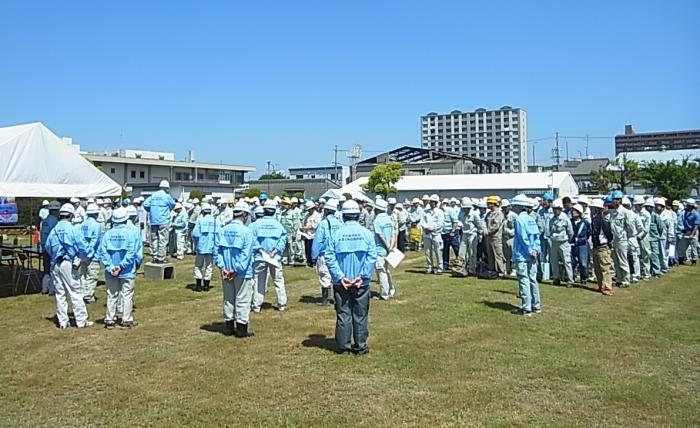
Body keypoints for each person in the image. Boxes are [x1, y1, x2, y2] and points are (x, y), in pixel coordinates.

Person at [324, 200, 377, 355]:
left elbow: (329, 257)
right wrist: (362, 276)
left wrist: (340, 277)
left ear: (343, 215)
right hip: (362, 282)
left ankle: (344, 346)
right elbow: (372, 257)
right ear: (358, 215)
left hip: (342, 283)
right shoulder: (367, 233)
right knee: (360, 314)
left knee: (343, 313)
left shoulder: (336, 234)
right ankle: (360, 346)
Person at [44, 203, 93, 329]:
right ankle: (81, 321)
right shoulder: (72, 229)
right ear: (71, 215)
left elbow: (48, 246)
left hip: (55, 263)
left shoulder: (54, 230)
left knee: (60, 293)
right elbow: (82, 246)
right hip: (68, 263)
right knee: (75, 292)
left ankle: (62, 322)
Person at [216, 202, 256, 338]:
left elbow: (218, 251)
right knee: (243, 299)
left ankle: (228, 326)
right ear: (244, 215)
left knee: (228, 298)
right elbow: (246, 255)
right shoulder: (247, 232)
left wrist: (223, 267)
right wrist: (236, 269)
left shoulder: (223, 230)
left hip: (226, 270)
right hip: (242, 273)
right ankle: (241, 328)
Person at [100, 208, 142, 329]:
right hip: (127, 270)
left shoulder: (108, 234)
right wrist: (121, 266)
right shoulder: (130, 234)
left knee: (112, 294)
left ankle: (109, 319)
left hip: (111, 271)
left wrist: (111, 267)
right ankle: (126, 319)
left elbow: (104, 253)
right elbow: (131, 253)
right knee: (127, 295)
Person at [250, 200, 288, 313]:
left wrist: (261, 250)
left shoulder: (255, 225)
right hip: (274, 258)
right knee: (278, 281)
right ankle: (282, 304)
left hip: (260, 257)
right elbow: (283, 239)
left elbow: (252, 239)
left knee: (259, 281)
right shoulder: (278, 225)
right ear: (274, 211)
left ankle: (256, 305)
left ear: (264, 210)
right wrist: (275, 251)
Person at [510, 194, 541, 316]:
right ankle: (536, 305)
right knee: (533, 279)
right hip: (532, 253)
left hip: (522, 255)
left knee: (524, 279)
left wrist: (529, 250)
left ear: (519, 206)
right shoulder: (531, 219)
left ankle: (526, 307)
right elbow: (536, 237)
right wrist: (535, 250)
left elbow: (522, 238)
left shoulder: (519, 220)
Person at [311, 199, 343, 306]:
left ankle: (325, 300)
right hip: (337, 254)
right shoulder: (339, 223)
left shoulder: (323, 224)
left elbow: (318, 241)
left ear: (326, 210)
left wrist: (314, 256)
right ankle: (337, 299)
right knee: (335, 276)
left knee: (324, 276)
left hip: (325, 254)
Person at [143, 180, 176, 263]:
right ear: (167, 188)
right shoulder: (166, 196)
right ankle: (161, 258)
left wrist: (151, 211)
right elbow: (173, 205)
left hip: (153, 220)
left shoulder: (153, 195)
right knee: (163, 239)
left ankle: (154, 256)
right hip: (163, 220)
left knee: (154, 239)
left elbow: (145, 204)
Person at [78, 203, 103, 304]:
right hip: (93, 254)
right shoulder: (97, 225)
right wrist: (90, 252)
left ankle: (83, 293)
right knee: (92, 276)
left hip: (82, 253)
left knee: (83, 275)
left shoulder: (82, 224)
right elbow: (95, 240)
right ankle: (88, 295)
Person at [610, 190, 635, 288]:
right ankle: (619, 278)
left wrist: (627, 237)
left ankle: (626, 280)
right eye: (613, 199)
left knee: (623, 260)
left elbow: (630, 227)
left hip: (622, 239)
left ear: (620, 200)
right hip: (614, 239)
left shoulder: (625, 212)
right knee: (616, 261)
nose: (614, 201)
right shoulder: (613, 212)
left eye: (616, 199)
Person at [373, 199, 396, 300]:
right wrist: (391, 247)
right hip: (389, 248)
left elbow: (380, 235)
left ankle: (384, 293)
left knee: (381, 271)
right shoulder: (389, 219)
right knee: (386, 270)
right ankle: (391, 290)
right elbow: (394, 234)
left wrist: (387, 247)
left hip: (380, 249)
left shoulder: (377, 221)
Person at [590, 198, 614, 295]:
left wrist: (608, 243)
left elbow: (609, 233)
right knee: (597, 268)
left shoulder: (603, 221)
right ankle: (601, 286)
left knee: (605, 268)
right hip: (596, 246)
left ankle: (607, 287)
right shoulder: (594, 220)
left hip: (603, 247)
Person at [549, 199, 574, 287]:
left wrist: (567, 240)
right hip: (554, 242)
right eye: (553, 209)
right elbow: (550, 231)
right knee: (554, 261)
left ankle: (570, 280)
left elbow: (570, 232)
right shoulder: (552, 220)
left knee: (566, 262)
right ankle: (556, 278)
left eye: (556, 209)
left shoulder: (565, 219)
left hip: (564, 243)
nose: (554, 210)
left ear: (560, 209)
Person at [192, 203, 216, 292]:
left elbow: (195, 234)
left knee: (198, 266)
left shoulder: (200, 221)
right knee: (209, 266)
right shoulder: (215, 221)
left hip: (201, 247)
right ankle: (206, 286)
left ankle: (198, 286)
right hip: (211, 247)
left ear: (202, 211)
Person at [419, 194, 444, 274]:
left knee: (438, 251)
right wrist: (426, 228)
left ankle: (440, 267)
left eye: (433, 202)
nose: (431, 203)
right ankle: (430, 267)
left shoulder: (440, 212)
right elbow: (422, 221)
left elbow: (440, 223)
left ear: (436, 203)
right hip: (427, 234)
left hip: (436, 234)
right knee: (427, 251)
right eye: (431, 202)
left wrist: (432, 229)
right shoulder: (425, 212)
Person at [40, 201, 60, 295]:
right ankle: (52, 290)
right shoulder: (55, 222)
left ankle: (44, 288)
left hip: (44, 248)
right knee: (53, 270)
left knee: (46, 270)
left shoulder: (45, 221)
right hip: (52, 249)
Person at [457, 197, 480, 276]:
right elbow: (460, 221)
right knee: (461, 253)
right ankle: (461, 268)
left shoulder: (474, 214)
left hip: (472, 235)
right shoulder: (462, 214)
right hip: (464, 234)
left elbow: (479, 224)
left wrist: (479, 234)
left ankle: (472, 269)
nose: (464, 209)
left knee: (472, 253)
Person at [485, 196, 506, 277]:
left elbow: (496, 226)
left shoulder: (499, 214)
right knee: (490, 255)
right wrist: (485, 230)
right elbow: (484, 221)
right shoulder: (489, 214)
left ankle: (501, 271)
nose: (487, 205)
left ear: (493, 204)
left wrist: (489, 231)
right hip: (488, 237)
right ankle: (492, 270)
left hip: (496, 237)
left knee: (498, 255)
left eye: (488, 203)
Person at [570, 203, 590, 285]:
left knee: (583, 262)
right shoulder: (570, 222)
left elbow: (588, 233)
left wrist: (582, 240)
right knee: (572, 262)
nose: (573, 212)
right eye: (572, 210)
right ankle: (572, 276)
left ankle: (584, 277)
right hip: (572, 244)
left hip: (582, 245)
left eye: (575, 211)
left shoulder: (584, 223)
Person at [279, 198, 303, 265]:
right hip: (284, 233)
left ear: (289, 205)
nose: (284, 205)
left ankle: (291, 261)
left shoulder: (293, 213)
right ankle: (284, 260)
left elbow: (296, 224)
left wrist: (294, 234)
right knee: (284, 247)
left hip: (290, 232)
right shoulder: (283, 213)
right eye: (284, 204)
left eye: (286, 204)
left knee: (291, 247)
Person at [537, 192, 555, 281]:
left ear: (550, 201)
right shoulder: (540, 211)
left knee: (552, 256)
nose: (543, 202)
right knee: (541, 256)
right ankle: (541, 274)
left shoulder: (554, 211)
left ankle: (552, 275)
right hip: (542, 237)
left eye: (545, 200)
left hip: (551, 237)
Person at [633, 196, 651, 280]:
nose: (637, 206)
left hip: (644, 236)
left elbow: (646, 228)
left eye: (639, 205)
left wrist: (640, 235)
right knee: (636, 255)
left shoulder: (646, 214)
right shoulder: (634, 213)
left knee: (645, 254)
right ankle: (637, 273)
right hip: (635, 236)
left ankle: (646, 272)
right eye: (636, 205)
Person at [678, 198, 699, 265]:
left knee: (693, 248)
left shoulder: (696, 214)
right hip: (685, 231)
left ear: (691, 206)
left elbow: (696, 226)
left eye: (688, 205)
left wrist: (692, 235)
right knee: (682, 246)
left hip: (693, 231)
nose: (687, 206)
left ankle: (694, 261)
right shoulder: (684, 212)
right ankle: (680, 260)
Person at [441, 198, 460, 271]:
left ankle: (461, 263)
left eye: (445, 203)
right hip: (444, 233)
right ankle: (445, 265)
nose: (443, 205)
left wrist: (453, 231)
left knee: (456, 248)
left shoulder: (450, 210)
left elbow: (455, 221)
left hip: (451, 233)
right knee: (445, 249)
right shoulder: (440, 211)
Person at [501, 199, 518, 277]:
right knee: (505, 255)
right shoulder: (501, 215)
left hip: (512, 237)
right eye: (503, 207)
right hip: (503, 237)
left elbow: (517, 227)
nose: (504, 209)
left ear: (509, 207)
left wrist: (512, 233)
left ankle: (514, 269)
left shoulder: (514, 215)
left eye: (505, 207)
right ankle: (506, 269)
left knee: (512, 254)